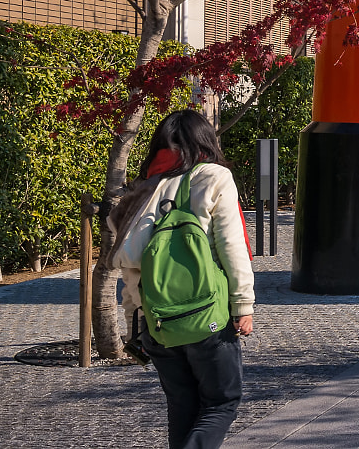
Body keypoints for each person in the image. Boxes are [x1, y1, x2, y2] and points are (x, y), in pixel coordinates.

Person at [108, 109, 254, 449]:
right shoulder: (213, 177)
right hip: (208, 318)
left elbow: (130, 266)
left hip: (158, 322)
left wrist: (137, 322)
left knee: (182, 404)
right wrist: (242, 304)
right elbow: (230, 245)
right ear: (206, 140)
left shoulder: (141, 191)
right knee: (221, 401)